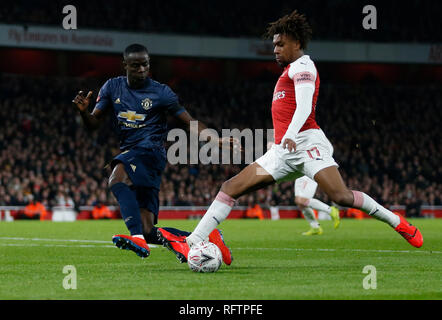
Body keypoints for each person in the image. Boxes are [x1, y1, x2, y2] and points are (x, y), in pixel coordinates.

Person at [185, 10, 423, 252]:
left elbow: (305, 105)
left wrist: (289, 134)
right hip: (282, 151)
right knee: (230, 187)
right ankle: (193, 242)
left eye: (280, 44)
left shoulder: (304, 66)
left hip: (307, 145)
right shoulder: (287, 72)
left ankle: (398, 223)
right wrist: (282, 139)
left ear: (296, 43)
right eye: (274, 45)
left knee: (340, 197)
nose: (275, 49)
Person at [72, 44, 234, 264]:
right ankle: (209, 236)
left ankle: (136, 239)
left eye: (145, 64)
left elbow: (189, 122)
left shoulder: (161, 92)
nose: (141, 69)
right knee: (149, 229)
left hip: (151, 152)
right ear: (125, 65)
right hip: (133, 153)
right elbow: (93, 124)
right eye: (136, 65)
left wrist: (215, 139)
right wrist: (83, 113)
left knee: (116, 178)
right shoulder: (112, 87)